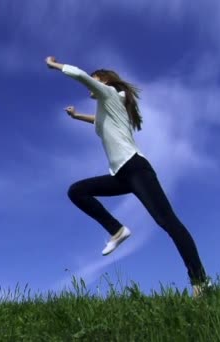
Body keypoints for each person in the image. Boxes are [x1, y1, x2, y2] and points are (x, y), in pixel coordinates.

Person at [44, 56, 209, 297]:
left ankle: (200, 281)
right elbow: (98, 122)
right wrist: (77, 116)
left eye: (96, 79)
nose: (93, 84)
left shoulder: (109, 94)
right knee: (77, 191)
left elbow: (80, 75)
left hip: (136, 168)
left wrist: (55, 65)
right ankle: (117, 230)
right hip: (120, 174)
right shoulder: (107, 108)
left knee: (168, 222)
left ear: (104, 81)